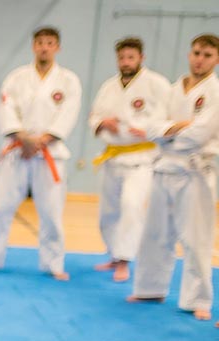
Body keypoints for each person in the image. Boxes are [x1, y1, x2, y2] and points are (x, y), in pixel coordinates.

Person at [0, 27, 81, 280]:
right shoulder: (16, 78)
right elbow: (6, 110)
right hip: (17, 151)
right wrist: (24, 138)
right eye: (40, 43)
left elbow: (68, 114)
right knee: (1, 207)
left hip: (51, 152)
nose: (44, 47)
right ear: (33, 46)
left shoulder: (68, 80)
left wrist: (42, 140)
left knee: (51, 212)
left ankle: (53, 264)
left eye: (50, 43)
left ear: (57, 47)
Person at [128, 33, 219, 322]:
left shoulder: (215, 92)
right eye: (196, 53)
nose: (200, 59)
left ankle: (198, 299)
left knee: (195, 238)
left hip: (194, 171)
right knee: (155, 232)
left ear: (216, 59)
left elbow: (200, 134)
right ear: (189, 55)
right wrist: (177, 127)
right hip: (163, 167)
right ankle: (149, 288)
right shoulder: (171, 89)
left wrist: (168, 131)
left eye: (207, 55)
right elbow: (151, 127)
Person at [88, 37, 171, 282]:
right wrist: (103, 122)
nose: (126, 62)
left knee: (132, 206)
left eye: (131, 57)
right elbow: (94, 116)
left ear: (141, 58)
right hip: (112, 157)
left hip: (141, 158)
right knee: (108, 211)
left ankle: (125, 260)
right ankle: (114, 254)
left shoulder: (157, 84)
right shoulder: (108, 87)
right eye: (122, 58)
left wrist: (148, 129)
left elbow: (168, 117)